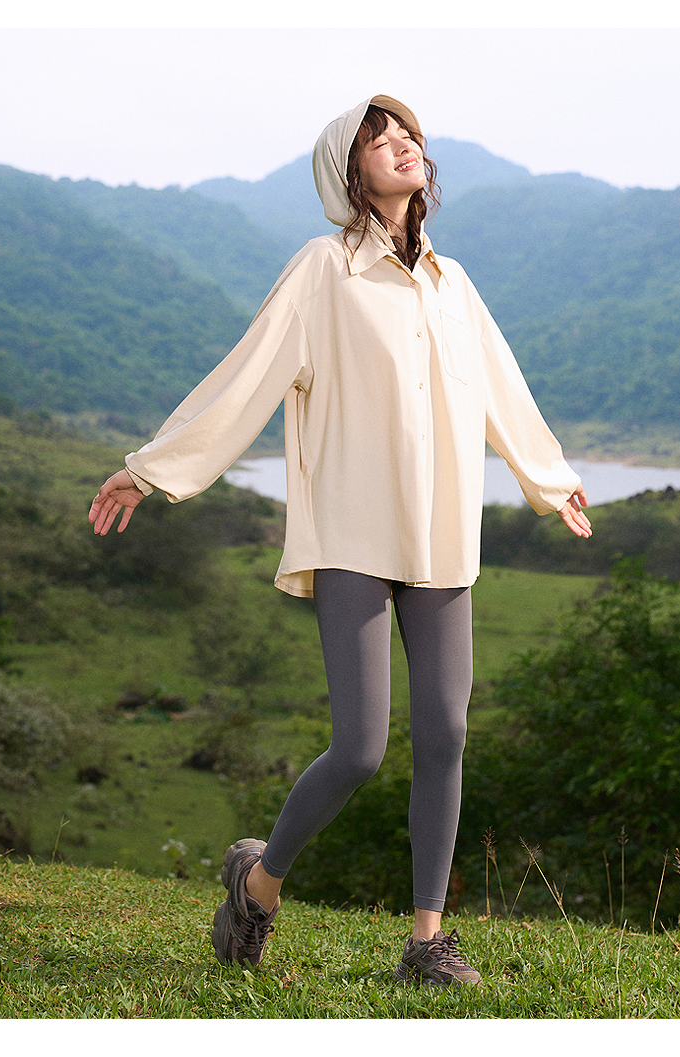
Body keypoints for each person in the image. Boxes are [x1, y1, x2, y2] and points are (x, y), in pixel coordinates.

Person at [89, 94, 591, 988]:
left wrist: (550, 481)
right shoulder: (324, 271)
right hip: (354, 535)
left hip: (443, 535)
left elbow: (503, 390)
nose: (400, 144)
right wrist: (154, 468)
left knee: (445, 732)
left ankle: (427, 941)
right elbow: (245, 375)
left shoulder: (452, 282)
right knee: (360, 746)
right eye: (377, 138)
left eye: (407, 134)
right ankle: (258, 883)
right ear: (347, 171)